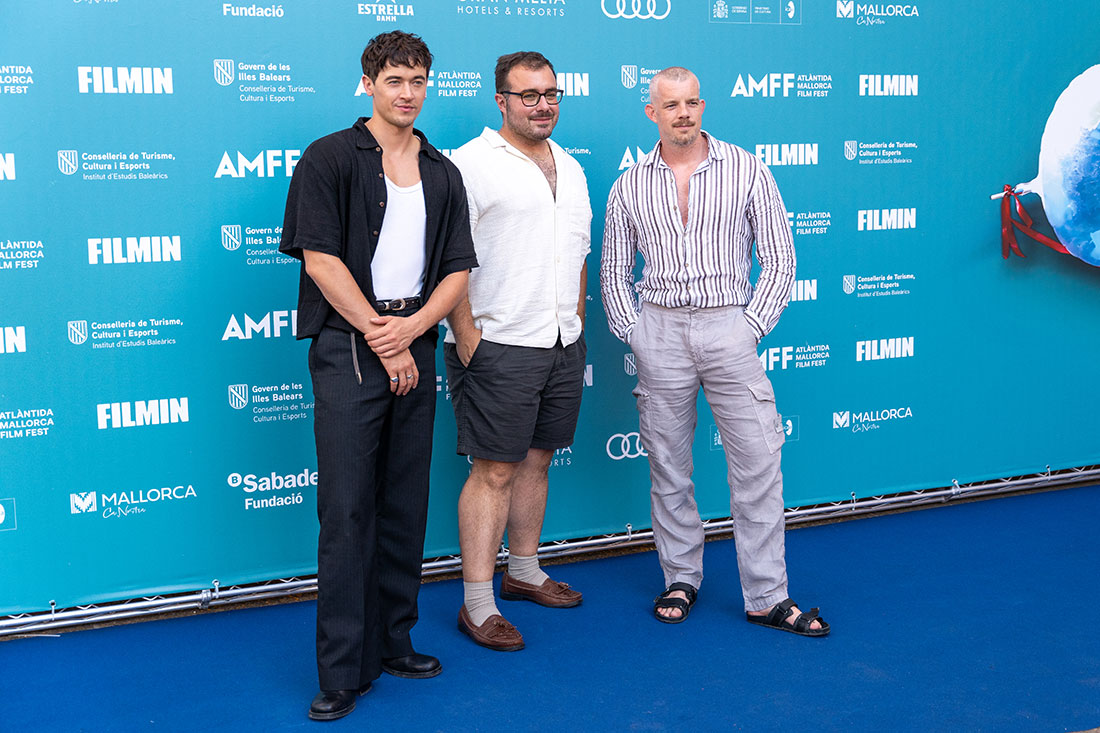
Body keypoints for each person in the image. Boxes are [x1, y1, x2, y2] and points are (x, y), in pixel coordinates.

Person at [279, 31, 478, 721]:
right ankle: (342, 669)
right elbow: (320, 258)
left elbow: (457, 269)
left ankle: (393, 640)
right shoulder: (330, 157)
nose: (407, 92)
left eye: (419, 80)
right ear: (368, 81)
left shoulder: (442, 171)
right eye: (395, 78)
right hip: (350, 345)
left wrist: (414, 330)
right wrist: (381, 334)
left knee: (403, 503)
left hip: (413, 339)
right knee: (347, 509)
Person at [600, 67, 828, 636]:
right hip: (659, 330)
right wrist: (636, 331)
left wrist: (750, 325)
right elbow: (612, 268)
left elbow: (779, 257)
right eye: (670, 104)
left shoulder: (747, 168)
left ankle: (767, 596)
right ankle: (682, 577)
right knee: (669, 468)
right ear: (651, 112)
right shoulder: (629, 184)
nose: (683, 112)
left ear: (703, 106)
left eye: (692, 102)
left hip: (729, 327)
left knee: (757, 463)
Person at [444, 51, 592, 651]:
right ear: (501, 100)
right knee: (495, 470)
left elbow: (578, 253)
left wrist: (576, 322)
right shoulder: (468, 164)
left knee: (537, 459)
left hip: (560, 341)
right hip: (497, 342)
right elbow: (447, 256)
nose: (542, 105)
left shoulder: (574, 167)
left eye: (551, 93)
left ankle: (524, 572)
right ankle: (478, 605)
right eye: (528, 95)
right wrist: (469, 338)